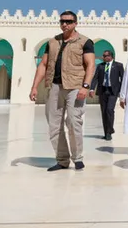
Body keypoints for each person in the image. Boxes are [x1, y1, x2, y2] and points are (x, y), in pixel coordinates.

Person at [29, 11, 95, 172]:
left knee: (74, 122)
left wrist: (85, 86)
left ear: (75, 23)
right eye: (62, 21)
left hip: (75, 87)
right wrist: (34, 86)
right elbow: (43, 65)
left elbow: (90, 65)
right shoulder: (52, 42)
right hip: (54, 87)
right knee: (54, 125)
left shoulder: (85, 42)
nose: (65, 24)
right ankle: (62, 160)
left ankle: (78, 157)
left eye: (68, 21)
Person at [90, 50, 123, 141]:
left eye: (106, 56)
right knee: (104, 112)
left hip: (113, 91)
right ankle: (107, 133)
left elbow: (123, 79)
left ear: (111, 56)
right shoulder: (100, 66)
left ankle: (110, 129)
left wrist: (123, 92)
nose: (104, 57)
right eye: (103, 56)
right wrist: (92, 89)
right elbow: (95, 78)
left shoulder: (118, 66)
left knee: (109, 109)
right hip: (103, 90)